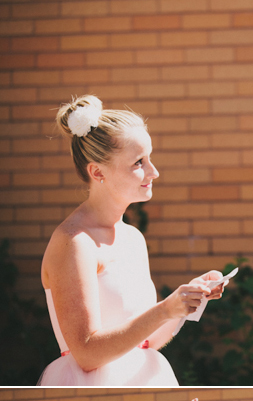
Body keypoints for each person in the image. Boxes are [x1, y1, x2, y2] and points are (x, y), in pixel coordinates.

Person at [39, 94, 226, 386]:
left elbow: (146, 341)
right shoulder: (74, 243)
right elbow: (86, 354)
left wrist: (185, 302)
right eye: (138, 162)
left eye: (149, 158)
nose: (154, 172)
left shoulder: (133, 238)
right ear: (97, 171)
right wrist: (164, 308)